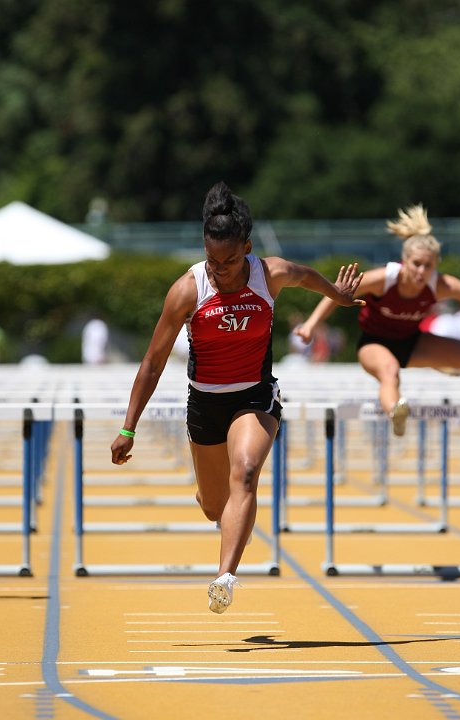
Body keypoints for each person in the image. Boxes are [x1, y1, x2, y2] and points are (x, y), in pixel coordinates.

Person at [110, 180, 364, 613]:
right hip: (205, 403)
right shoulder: (188, 290)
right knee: (214, 507)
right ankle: (217, 508)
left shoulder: (271, 274)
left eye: (229, 262)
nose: (220, 271)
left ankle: (224, 577)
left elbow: (307, 277)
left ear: (246, 248)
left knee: (245, 473)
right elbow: (152, 362)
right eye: (212, 260)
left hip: (255, 394)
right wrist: (127, 427)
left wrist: (336, 296)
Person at [295, 204, 460, 437]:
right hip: (374, 343)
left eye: (428, 266)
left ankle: (439, 363)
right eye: (417, 264)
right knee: (390, 371)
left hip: (412, 342)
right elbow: (337, 294)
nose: (421, 271)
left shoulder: (441, 285)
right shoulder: (384, 279)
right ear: (405, 260)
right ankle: (396, 411)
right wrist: (311, 325)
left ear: (435, 265)